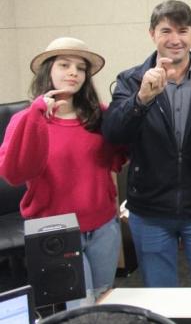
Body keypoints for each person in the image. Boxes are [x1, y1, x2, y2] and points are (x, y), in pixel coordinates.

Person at [102, 0, 191, 288]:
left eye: (183, 30)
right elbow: (113, 134)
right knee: (159, 298)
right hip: (150, 213)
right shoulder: (131, 81)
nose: (175, 40)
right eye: (166, 31)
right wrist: (140, 100)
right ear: (152, 33)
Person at [0, 37, 127, 305]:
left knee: (105, 297)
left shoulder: (98, 115)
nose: (73, 72)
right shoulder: (26, 118)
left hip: (103, 226)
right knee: (80, 306)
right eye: (64, 65)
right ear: (48, 70)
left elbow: (117, 159)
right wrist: (37, 115)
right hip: (55, 230)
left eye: (80, 68)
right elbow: (13, 173)